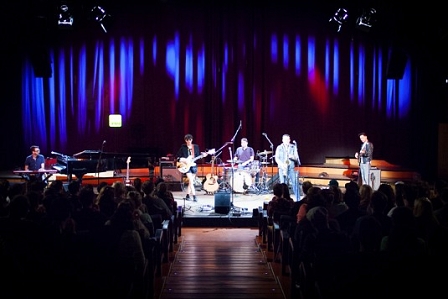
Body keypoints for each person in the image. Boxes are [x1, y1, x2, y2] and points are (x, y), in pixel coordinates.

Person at [176, 134, 208, 202]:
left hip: (193, 166)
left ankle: (187, 195)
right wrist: (183, 160)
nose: (189, 141)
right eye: (187, 140)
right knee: (191, 181)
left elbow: (198, 156)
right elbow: (177, 157)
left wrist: (203, 156)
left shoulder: (195, 147)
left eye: (190, 140)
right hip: (186, 166)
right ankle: (194, 196)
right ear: (185, 140)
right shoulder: (183, 147)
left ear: (192, 140)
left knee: (191, 182)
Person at [274, 134, 301, 199]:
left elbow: (296, 157)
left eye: (288, 139)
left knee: (295, 183)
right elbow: (276, 158)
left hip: (291, 168)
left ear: (289, 140)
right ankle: (283, 200)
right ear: (282, 140)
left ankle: (298, 199)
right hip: (282, 168)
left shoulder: (293, 147)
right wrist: (282, 165)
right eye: (285, 139)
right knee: (283, 185)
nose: (286, 141)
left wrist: (292, 156)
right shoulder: (279, 147)